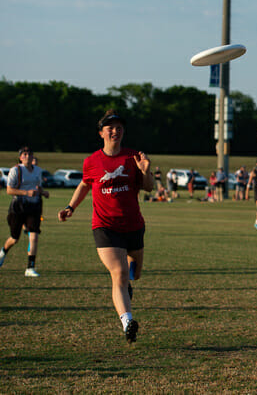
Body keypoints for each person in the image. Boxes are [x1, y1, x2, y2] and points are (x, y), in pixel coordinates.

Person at [57, 110, 154, 344]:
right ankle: (127, 321)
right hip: (105, 226)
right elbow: (84, 185)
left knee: (134, 274)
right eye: (110, 127)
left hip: (133, 226)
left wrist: (146, 170)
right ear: (101, 133)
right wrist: (70, 207)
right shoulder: (91, 161)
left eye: (119, 127)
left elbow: (149, 187)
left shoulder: (133, 157)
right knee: (118, 273)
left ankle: (126, 291)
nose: (115, 131)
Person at [1, 146, 50, 277]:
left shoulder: (38, 170)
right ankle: (3, 252)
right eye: (24, 154)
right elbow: (9, 190)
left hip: (34, 207)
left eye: (30, 154)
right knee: (14, 238)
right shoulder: (15, 170)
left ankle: (30, 267)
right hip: (18, 207)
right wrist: (26, 192)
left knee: (34, 235)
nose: (27, 156)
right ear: (20, 157)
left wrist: (43, 192)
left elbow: (38, 186)